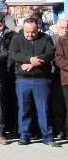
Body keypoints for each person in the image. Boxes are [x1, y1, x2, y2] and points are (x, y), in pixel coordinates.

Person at [8, 17, 58, 146]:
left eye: (33, 32)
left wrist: (34, 63)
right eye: (27, 32)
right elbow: (13, 54)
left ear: (38, 29)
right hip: (23, 79)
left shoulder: (45, 38)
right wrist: (30, 59)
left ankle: (48, 136)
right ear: (23, 29)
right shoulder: (17, 39)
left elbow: (50, 53)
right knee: (24, 109)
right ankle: (24, 135)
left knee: (44, 109)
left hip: (42, 79)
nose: (30, 35)